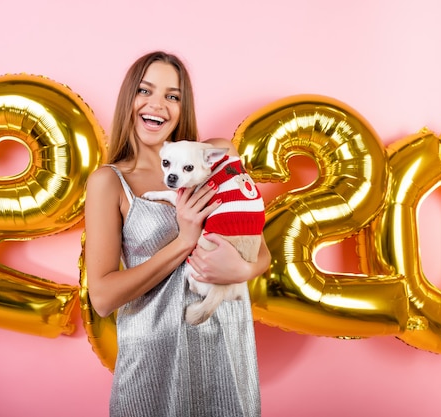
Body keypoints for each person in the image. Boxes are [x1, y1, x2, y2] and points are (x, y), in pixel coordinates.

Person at [84, 50, 271, 417]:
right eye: (145, 91)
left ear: (183, 108)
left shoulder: (217, 156)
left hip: (226, 350)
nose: (158, 105)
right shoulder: (110, 182)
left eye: (173, 96)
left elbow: (258, 248)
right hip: (154, 358)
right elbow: (103, 298)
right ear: (129, 99)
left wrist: (245, 271)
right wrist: (184, 240)